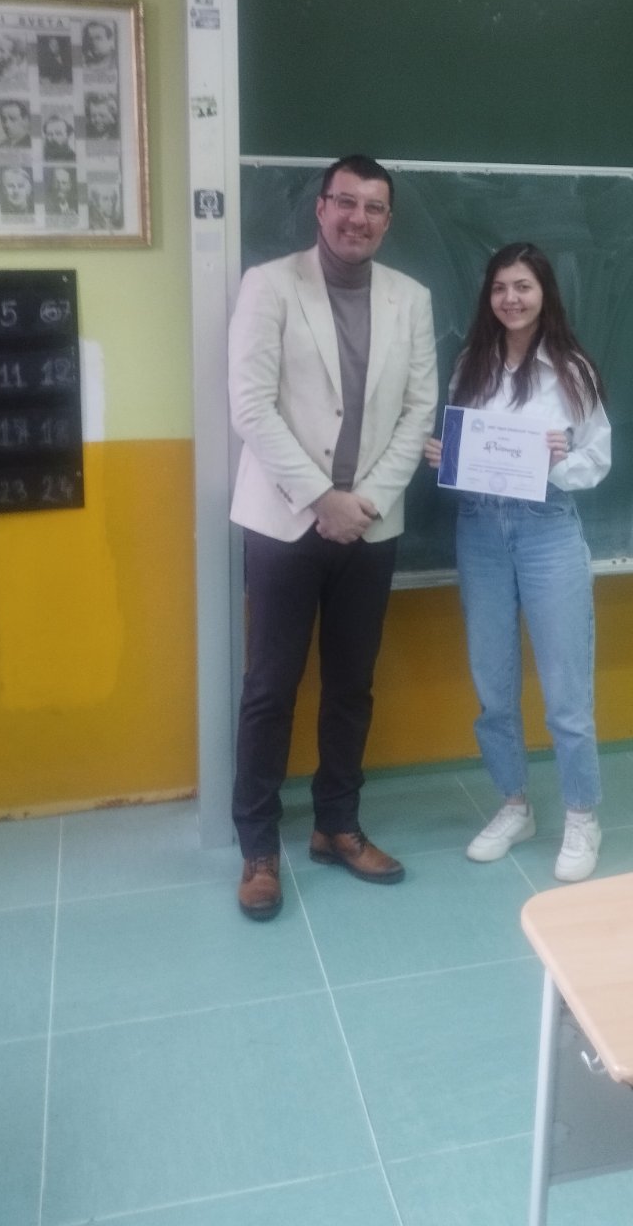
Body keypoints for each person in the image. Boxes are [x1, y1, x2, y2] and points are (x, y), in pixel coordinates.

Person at [227, 154, 437, 920]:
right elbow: (250, 406)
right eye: (345, 202)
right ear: (320, 209)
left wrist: (364, 503)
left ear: (387, 220)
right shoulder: (270, 285)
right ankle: (257, 846)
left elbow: (419, 410)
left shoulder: (411, 298)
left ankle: (336, 826)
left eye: (373, 207)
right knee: (269, 687)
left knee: (351, 684)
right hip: (283, 522)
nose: (358, 218)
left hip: (370, 528)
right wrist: (321, 498)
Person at [423, 243, 611, 882]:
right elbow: (464, 449)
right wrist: (444, 456)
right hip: (479, 529)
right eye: (500, 287)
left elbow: (598, 458)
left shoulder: (571, 369)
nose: (511, 298)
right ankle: (514, 805)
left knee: (566, 689)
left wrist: (559, 459)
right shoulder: (470, 365)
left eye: (523, 286)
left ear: (543, 293)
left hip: (546, 528)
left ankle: (582, 815)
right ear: (489, 296)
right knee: (493, 685)